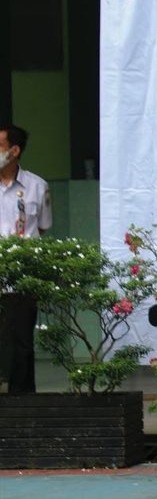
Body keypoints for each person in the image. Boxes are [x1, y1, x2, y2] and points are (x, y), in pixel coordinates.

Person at [0, 124, 52, 395]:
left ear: (14, 150)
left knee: (21, 342)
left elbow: (42, 226)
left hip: (23, 276)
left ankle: (21, 402)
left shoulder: (37, 186)